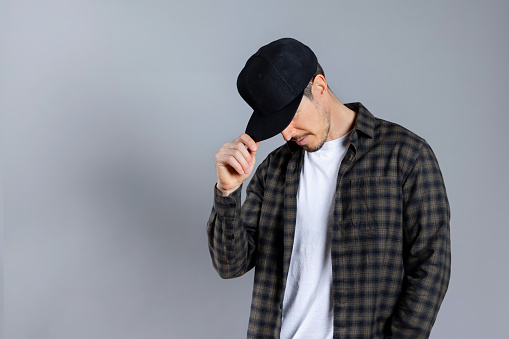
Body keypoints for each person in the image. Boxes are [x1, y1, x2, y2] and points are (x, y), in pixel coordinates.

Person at [207, 38, 450, 339]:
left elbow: (431, 265)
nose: (285, 133)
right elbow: (230, 264)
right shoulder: (274, 170)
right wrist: (227, 193)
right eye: (275, 124)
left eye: (290, 117)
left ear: (319, 87)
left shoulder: (405, 156)